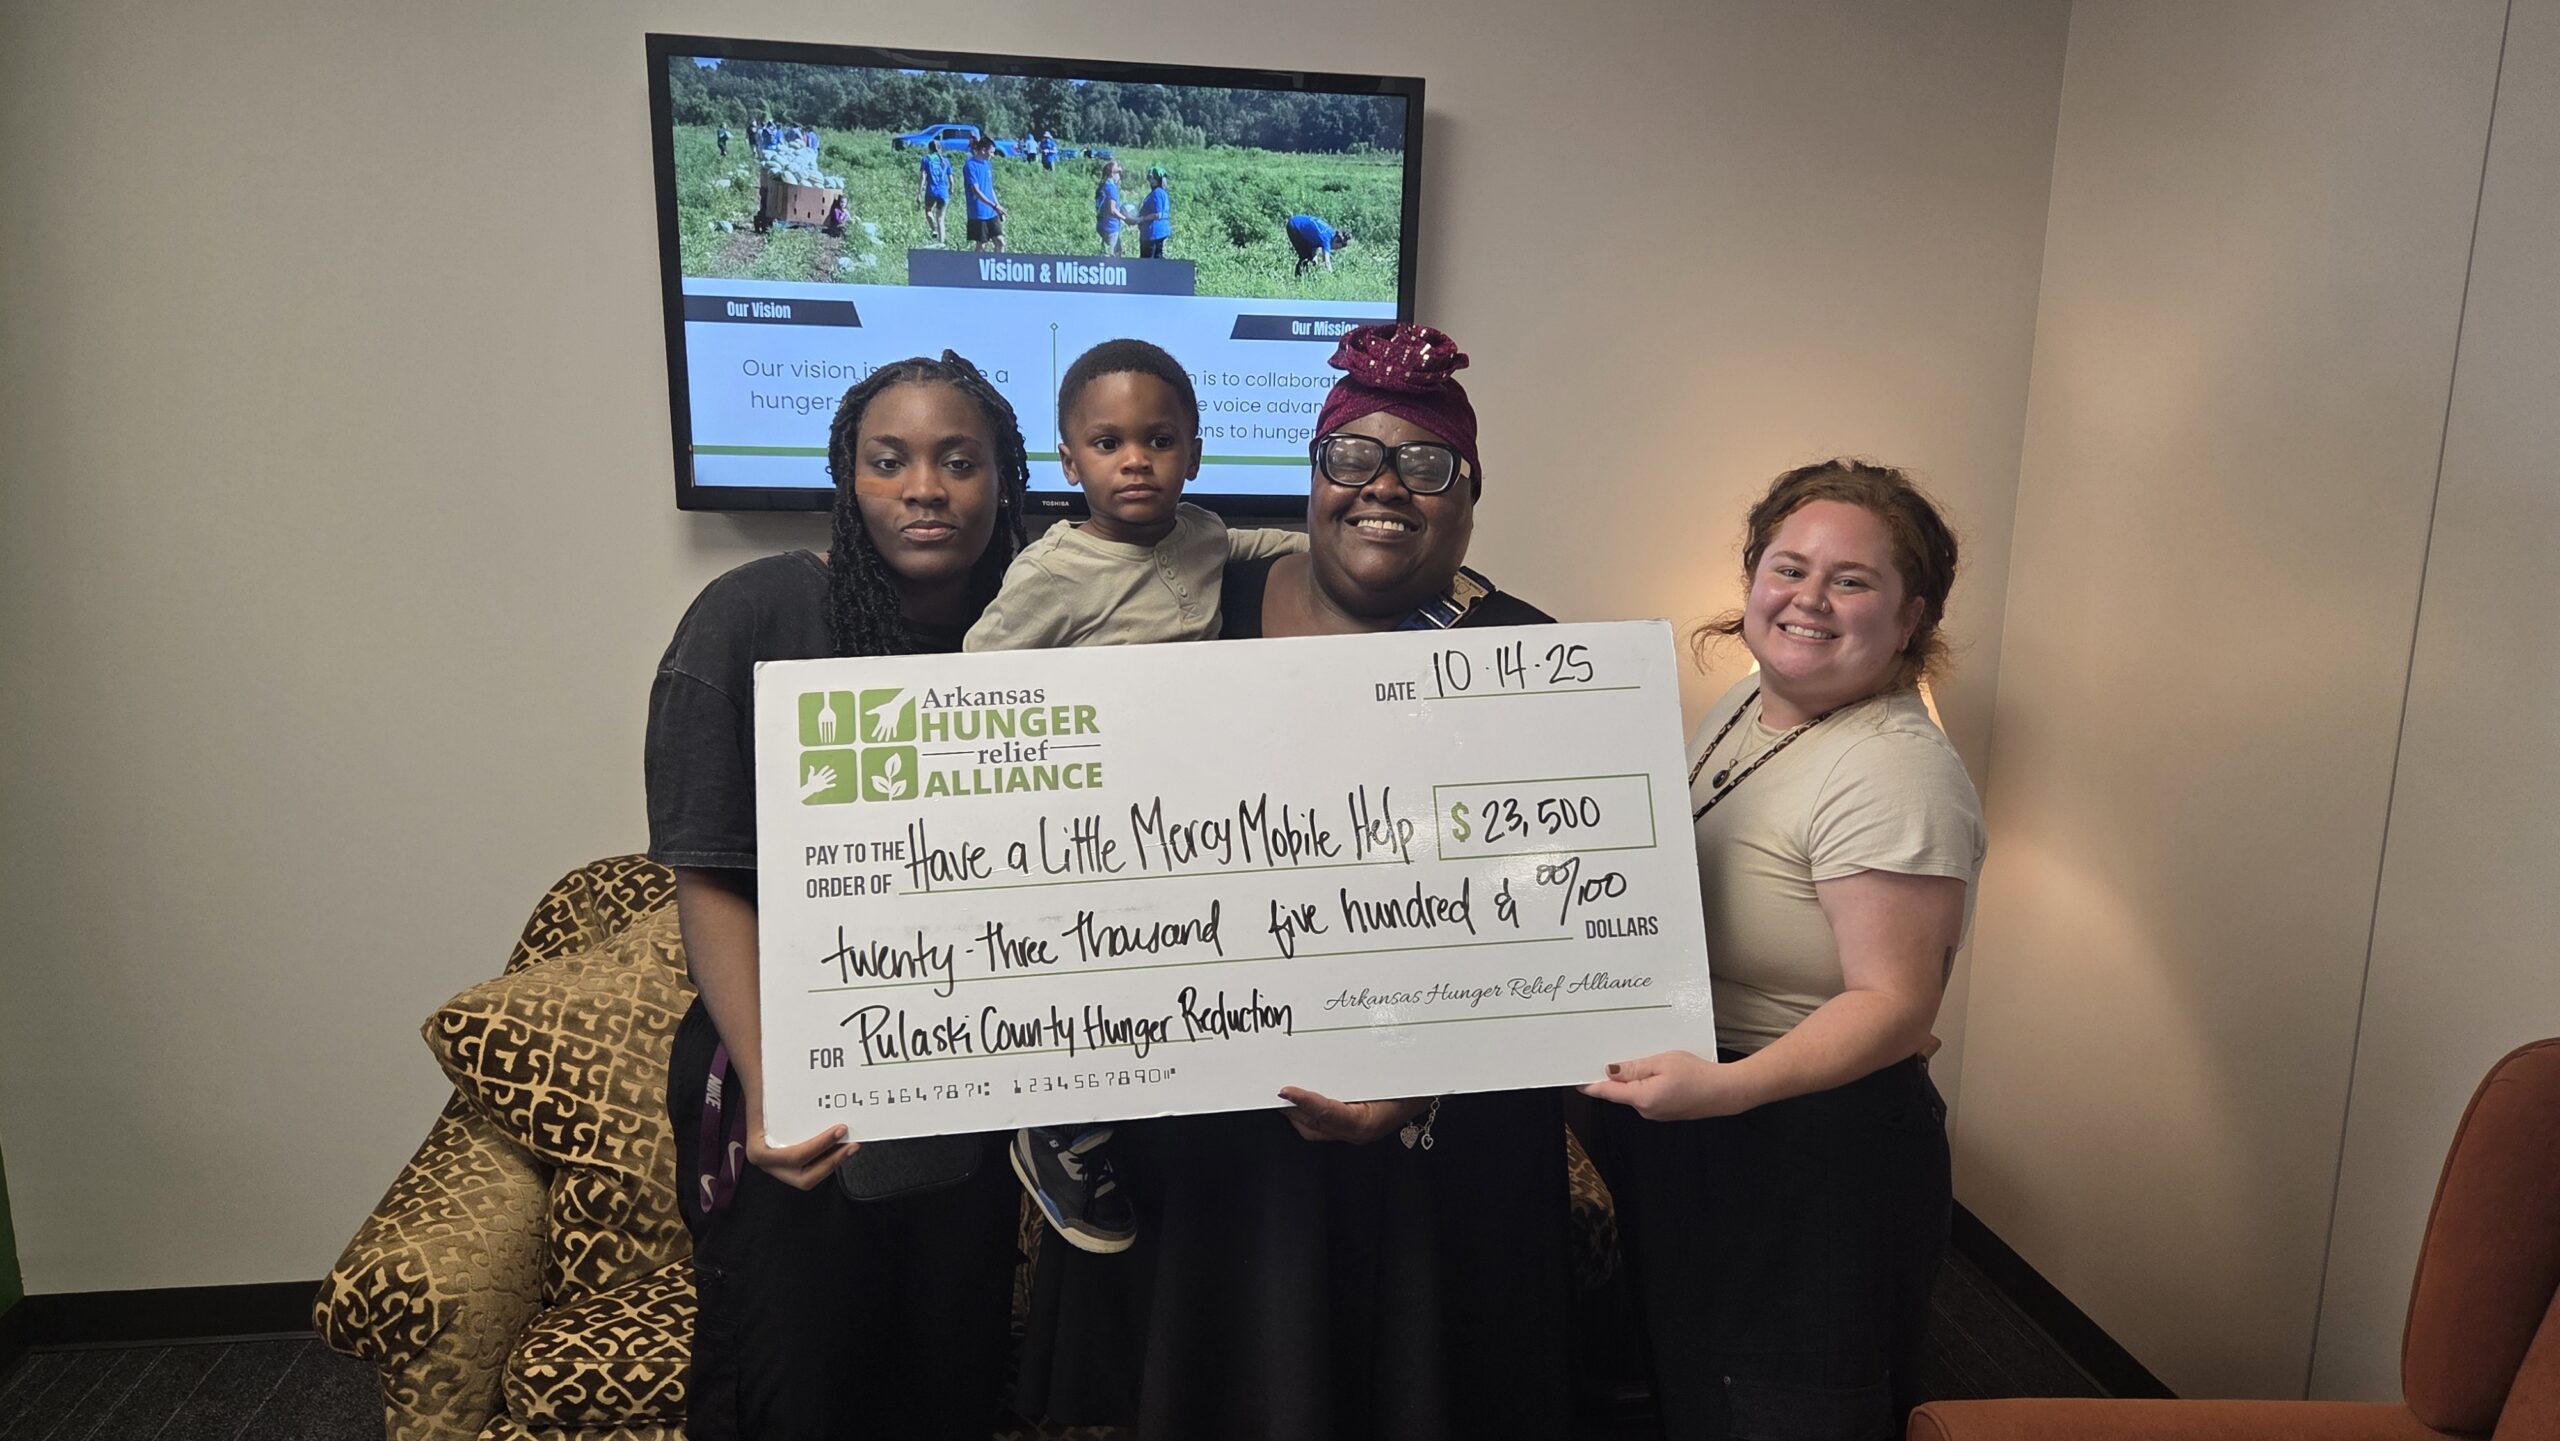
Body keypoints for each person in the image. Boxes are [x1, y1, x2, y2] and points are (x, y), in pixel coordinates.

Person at [1016, 322, 1572, 1441]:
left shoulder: (1527, 660)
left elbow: (1567, 939)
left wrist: (1419, 1079)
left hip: (1425, 1168)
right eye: (1349, 458)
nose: (1382, 488)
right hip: (1207, 1156)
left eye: (1423, 464)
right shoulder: (1190, 608)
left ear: (1468, 493)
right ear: (1310, 479)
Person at [650, 353, 1036, 1441]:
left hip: (966, 1074)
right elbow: (708, 870)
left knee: (946, 1376)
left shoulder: (1042, 638)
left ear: (1004, 480)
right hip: (796, 1078)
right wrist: (775, 1087)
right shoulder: (753, 616)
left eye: (960, 461)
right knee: (798, 1385)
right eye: (890, 460)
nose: (926, 487)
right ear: (846, 477)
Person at [1581, 459, 1984, 1441]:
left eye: (1851, 580)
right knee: (1702, 1386)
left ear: (1908, 614)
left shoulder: (1893, 768)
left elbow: (1894, 1004)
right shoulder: (1751, 705)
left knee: (1783, 1405)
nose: (1808, 598)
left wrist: (1718, 1092)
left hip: (1814, 1149)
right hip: (1715, 1115)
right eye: (1787, 567)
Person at [963, 340, 1306, 1254]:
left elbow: (1261, 546)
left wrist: (1344, 546)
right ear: (1070, 460)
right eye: (1108, 443)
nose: (1136, 460)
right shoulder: (1051, 573)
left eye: (1159, 439)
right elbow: (973, 684)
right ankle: (1059, 1129)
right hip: (1083, 815)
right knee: (1090, 962)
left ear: (1194, 449)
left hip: (1183, 811)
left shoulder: (1199, 531)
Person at [964, 134, 1006, 253]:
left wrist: (998, 207)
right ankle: (975, 269)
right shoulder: (970, 166)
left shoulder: (987, 164)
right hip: (979, 212)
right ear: (983, 150)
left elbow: (990, 188)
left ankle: (998, 268)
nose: (992, 155)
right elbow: (976, 191)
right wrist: (994, 206)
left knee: (1000, 242)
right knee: (981, 245)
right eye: (991, 152)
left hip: (992, 212)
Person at [1284, 213, 1353, 276]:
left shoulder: (1331, 233)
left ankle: (1303, 278)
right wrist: (1332, 276)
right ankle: (1298, 279)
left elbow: (1315, 242)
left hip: (1297, 222)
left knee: (1310, 258)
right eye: (1337, 248)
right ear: (1336, 240)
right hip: (1294, 226)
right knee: (1305, 257)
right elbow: (1327, 262)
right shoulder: (1326, 239)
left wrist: (1315, 258)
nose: (1335, 249)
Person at [1094, 160, 1132, 255]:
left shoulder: (1104, 185)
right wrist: (1125, 219)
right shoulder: (1111, 188)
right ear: (1112, 174)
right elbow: (1112, 210)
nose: (1119, 176)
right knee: (1111, 256)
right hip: (1110, 226)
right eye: (1118, 173)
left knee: (1117, 251)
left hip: (1102, 224)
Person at [918, 144, 953, 244]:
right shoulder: (945, 161)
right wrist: (951, 188)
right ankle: (941, 242)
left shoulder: (926, 159)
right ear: (940, 148)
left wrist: (919, 192)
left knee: (928, 211)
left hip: (931, 191)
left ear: (929, 149)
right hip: (943, 192)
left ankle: (934, 229)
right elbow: (951, 178)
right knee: (941, 218)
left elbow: (923, 177)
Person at [1137, 166, 1173, 259]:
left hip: (1152, 234)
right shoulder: (1162, 192)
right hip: (1157, 232)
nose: (1149, 180)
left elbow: (1158, 214)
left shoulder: (1157, 193)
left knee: (1148, 262)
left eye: (1150, 178)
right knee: (1157, 259)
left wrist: (1142, 219)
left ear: (1156, 179)